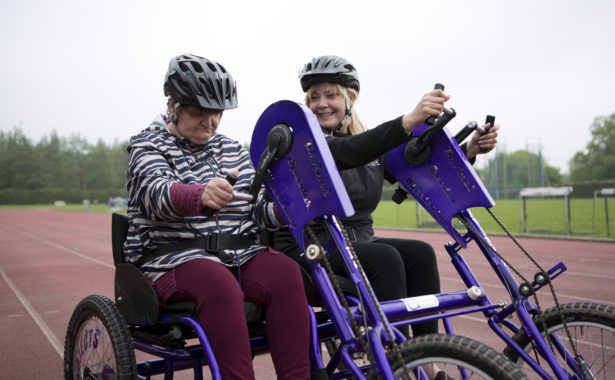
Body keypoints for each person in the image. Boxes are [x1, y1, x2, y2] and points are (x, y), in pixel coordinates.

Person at [273, 55, 499, 380]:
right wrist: (407, 121)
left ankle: (426, 359)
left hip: (356, 241)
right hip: (310, 245)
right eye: (314, 97)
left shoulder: (366, 145)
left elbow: (411, 167)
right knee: (385, 258)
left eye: (330, 95)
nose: (321, 104)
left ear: (351, 98)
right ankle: (394, 363)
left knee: (421, 252)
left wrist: (470, 149)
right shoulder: (299, 143)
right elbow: (349, 151)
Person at [123, 54, 310, 380]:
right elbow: (156, 194)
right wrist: (198, 195)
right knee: (218, 282)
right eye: (199, 113)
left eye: (217, 114)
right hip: (170, 259)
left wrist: (286, 210)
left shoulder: (233, 149)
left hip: (237, 253)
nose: (210, 123)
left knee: (285, 272)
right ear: (173, 103)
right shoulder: (146, 144)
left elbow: (256, 210)